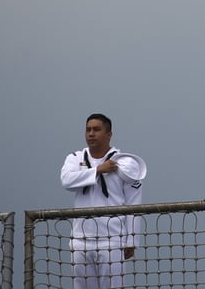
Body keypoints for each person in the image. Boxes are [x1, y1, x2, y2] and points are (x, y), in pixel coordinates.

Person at [60, 113, 144, 289]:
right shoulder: (75, 158)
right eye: (88, 130)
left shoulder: (125, 163)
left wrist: (132, 240)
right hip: (81, 239)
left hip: (112, 239)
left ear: (109, 134)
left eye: (96, 129)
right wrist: (98, 170)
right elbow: (67, 181)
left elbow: (134, 203)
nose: (91, 134)